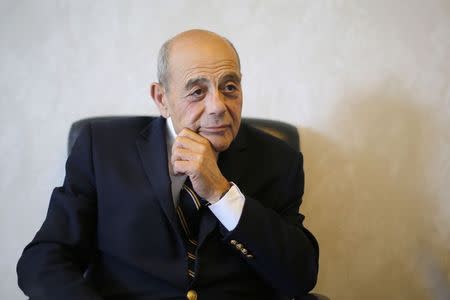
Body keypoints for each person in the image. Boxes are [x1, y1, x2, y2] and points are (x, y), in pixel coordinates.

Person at [17, 29, 319, 300]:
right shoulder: (103, 148)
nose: (217, 107)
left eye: (229, 87)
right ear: (161, 98)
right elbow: (44, 258)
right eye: (197, 91)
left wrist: (222, 194)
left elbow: (298, 278)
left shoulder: (279, 160)